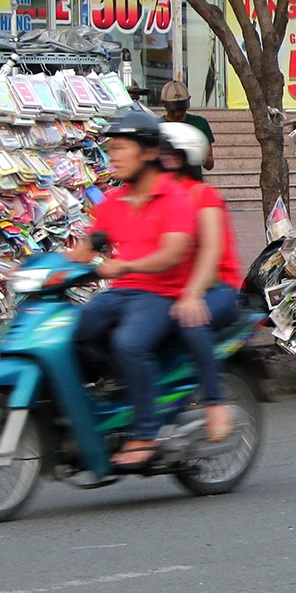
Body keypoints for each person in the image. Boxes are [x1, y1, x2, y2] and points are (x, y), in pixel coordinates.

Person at [71, 110, 199, 467]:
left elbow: (172, 254)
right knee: (75, 331)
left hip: (163, 294)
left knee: (129, 343)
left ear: (148, 152)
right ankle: (114, 392)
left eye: (121, 147)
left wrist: (126, 265)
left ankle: (146, 433)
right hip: (122, 293)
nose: (112, 156)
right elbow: (86, 247)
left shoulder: (174, 197)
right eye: (111, 148)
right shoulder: (115, 201)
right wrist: (41, 267)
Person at [159, 122, 244, 442]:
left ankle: (213, 399)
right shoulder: (157, 195)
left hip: (217, 287)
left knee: (192, 321)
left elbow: (212, 253)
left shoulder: (202, 195)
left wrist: (192, 294)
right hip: (175, 286)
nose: (162, 160)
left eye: (168, 154)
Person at [159, 80, 215, 170]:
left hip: (192, 177)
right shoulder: (157, 126)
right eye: (173, 109)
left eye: (182, 108)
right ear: (163, 103)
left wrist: (197, 154)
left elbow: (210, 165)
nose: (178, 113)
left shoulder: (200, 123)